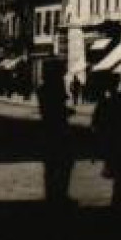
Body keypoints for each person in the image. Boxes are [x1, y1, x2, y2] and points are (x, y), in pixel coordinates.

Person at [37, 73, 75, 206]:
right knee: (64, 163)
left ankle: (51, 194)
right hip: (59, 132)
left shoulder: (42, 90)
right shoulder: (54, 89)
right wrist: (68, 112)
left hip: (47, 132)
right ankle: (59, 194)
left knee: (51, 166)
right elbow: (58, 109)